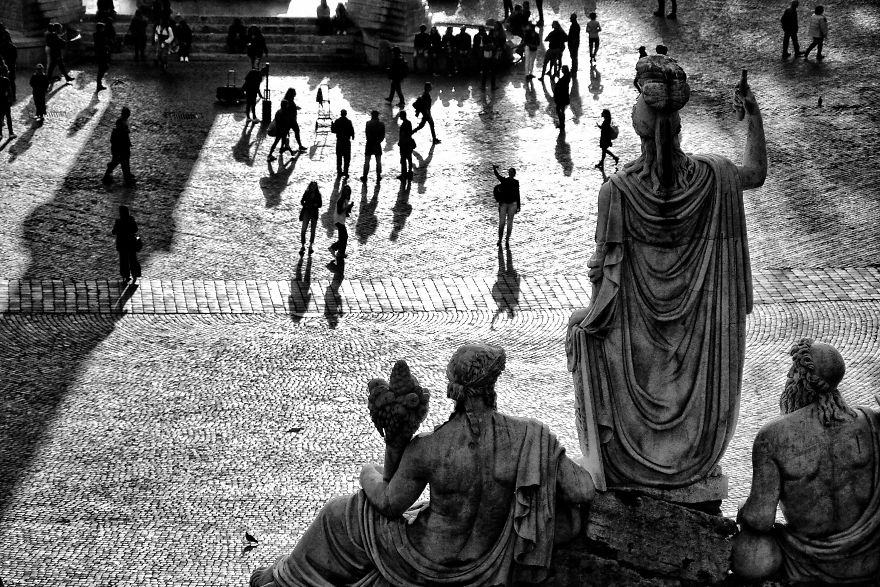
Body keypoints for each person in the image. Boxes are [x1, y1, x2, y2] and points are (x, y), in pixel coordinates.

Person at [567, 54, 766, 491]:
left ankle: (624, 455)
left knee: (578, 327)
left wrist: (584, 316)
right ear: (678, 126)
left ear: (635, 129)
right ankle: (687, 453)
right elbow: (755, 172)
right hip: (696, 343)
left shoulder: (616, 192)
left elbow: (605, 290)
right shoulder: (714, 176)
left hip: (634, 343)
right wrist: (754, 117)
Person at [249, 343, 595, 587]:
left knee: (339, 513)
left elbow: (388, 503)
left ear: (453, 388)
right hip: (486, 559)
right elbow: (582, 488)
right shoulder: (529, 437)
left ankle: (281, 580)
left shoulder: (430, 448)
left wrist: (368, 470)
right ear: (492, 384)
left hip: (424, 559)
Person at [732, 339, 880, 584]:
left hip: (804, 561)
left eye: (793, 371)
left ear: (799, 377)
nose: (789, 376)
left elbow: (760, 519)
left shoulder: (773, 436)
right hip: (867, 557)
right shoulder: (871, 422)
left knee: (752, 549)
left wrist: (742, 511)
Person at [103, 106, 135, 186]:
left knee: (123, 161)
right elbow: (122, 135)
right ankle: (124, 176)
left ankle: (126, 175)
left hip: (122, 146)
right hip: (120, 146)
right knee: (120, 161)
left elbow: (125, 135)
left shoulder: (123, 121)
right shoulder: (121, 122)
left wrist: (128, 142)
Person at [112, 205, 141, 283]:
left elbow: (113, 232)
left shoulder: (118, 222)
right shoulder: (131, 220)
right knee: (132, 259)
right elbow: (135, 230)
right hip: (131, 243)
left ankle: (125, 275)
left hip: (122, 243)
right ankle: (135, 274)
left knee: (123, 260)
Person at [492, 165, 520, 246]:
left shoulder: (515, 182)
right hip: (505, 204)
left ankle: (506, 240)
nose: (511, 174)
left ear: (514, 174)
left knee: (508, 223)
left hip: (511, 204)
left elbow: (518, 194)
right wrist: (495, 169)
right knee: (502, 222)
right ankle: (501, 239)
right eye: (510, 172)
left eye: (512, 172)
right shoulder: (505, 180)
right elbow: (497, 176)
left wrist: (518, 205)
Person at [328, 184, 353, 265]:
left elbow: (345, 211)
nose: (347, 192)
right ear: (343, 191)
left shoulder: (345, 199)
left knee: (343, 237)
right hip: (338, 220)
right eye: (345, 190)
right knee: (344, 237)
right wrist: (347, 207)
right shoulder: (341, 199)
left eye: (348, 191)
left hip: (341, 220)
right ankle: (334, 248)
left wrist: (349, 208)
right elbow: (339, 211)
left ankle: (340, 252)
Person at [361, 110, 385, 182]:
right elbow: (382, 136)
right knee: (378, 161)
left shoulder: (368, 123)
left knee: (367, 161)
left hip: (369, 144)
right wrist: (378, 142)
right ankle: (378, 176)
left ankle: (365, 176)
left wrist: (371, 141)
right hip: (377, 145)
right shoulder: (381, 124)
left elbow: (367, 135)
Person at [299, 181, 322, 256]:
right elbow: (302, 201)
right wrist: (305, 205)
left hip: (314, 213)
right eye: (312, 186)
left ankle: (311, 246)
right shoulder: (307, 193)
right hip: (307, 212)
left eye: (314, 186)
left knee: (313, 230)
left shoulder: (318, 194)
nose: (313, 187)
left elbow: (320, 204)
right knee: (303, 229)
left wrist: (316, 204)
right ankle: (303, 245)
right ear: (310, 186)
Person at [331, 108, 354, 176]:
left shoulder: (337, 121)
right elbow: (351, 131)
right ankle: (346, 172)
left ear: (341, 114)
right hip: (346, 142)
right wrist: (352, 136)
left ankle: (339, 171)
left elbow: (333, 131)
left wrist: (332, 125)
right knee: (347, 158)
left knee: (339, 158)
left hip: (339, 142)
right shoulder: (349, 121)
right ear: (346, 114)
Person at [282, 87, 307, 152]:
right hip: (290, 120)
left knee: (288, 133)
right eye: (294, 93)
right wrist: (295, 108)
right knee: (294, 132)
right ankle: (299, 146)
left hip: (291, 120)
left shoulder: (289, 99)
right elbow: (287, 109)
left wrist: (295, 107)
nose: (295, 94)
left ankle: (283, 147)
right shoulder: (287, 100)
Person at [396, 110, 414, 180]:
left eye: (400, 115)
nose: (400, 117)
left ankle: (404, 174)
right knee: (409, 158)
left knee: (403, 160)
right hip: (409, 143)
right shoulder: (409, 123)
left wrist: (400, 142)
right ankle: (409, 172)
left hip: (404, 145)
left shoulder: (403, 125)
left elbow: (403, 135)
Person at [553, 65, 571, 131]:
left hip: (561, 97)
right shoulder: (567, 76)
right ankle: (562, 123)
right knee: (562, 110)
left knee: (558, 110)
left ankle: (562, 123)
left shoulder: (565, 78)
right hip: (564, 96)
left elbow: (560, 87)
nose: (561, 70)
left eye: (562, 69)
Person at [0, 33, 17, 102]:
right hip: (12, 67)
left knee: (4, 83)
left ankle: (6, 97)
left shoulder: (1, 47)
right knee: (12, 82)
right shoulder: (13, 47)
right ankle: (13, 97)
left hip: (4, 67)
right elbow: (15, 58)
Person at [94, 22, 111, 91]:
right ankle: (99, 84)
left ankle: (99, 84)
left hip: (99, 53)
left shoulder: (95, 35)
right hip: (102, 53)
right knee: (102, 69)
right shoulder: (101, 35)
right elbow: (104, 44)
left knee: (102, 68)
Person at [0, 65, 13, 139]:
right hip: (5, 101)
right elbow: (9, 91)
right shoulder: (6, 80)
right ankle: (11, 133)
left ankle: (0, 134)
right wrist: (10, 100)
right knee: (8, 117)